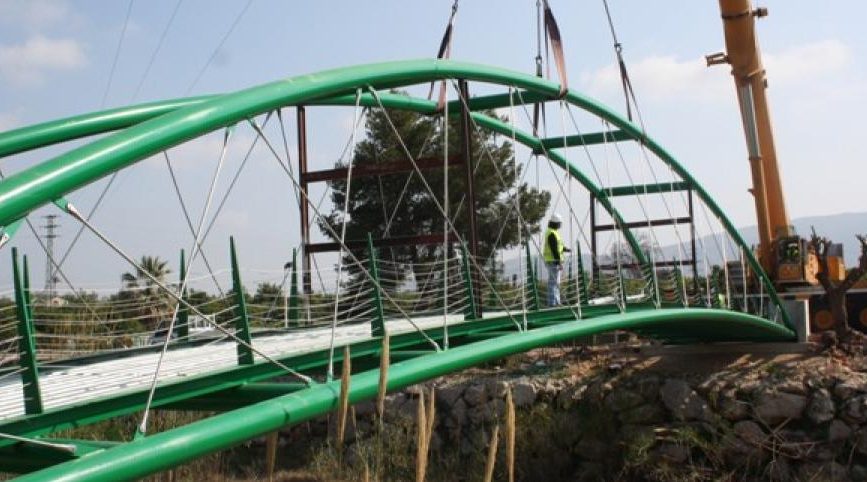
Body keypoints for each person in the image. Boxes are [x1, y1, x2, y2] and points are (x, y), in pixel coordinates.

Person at [542, 213, 571, 307]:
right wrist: (558, 262)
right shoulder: (551, 233)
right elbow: (554, 249)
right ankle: (552, 303)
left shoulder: (553, 232)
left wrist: (566, 249)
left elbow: (558, 247)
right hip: (553, 261)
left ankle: (556, 302)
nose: (560, 225)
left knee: (556, 282)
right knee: (553, 282)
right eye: (559, 223)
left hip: (553, 260)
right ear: (556, 223)